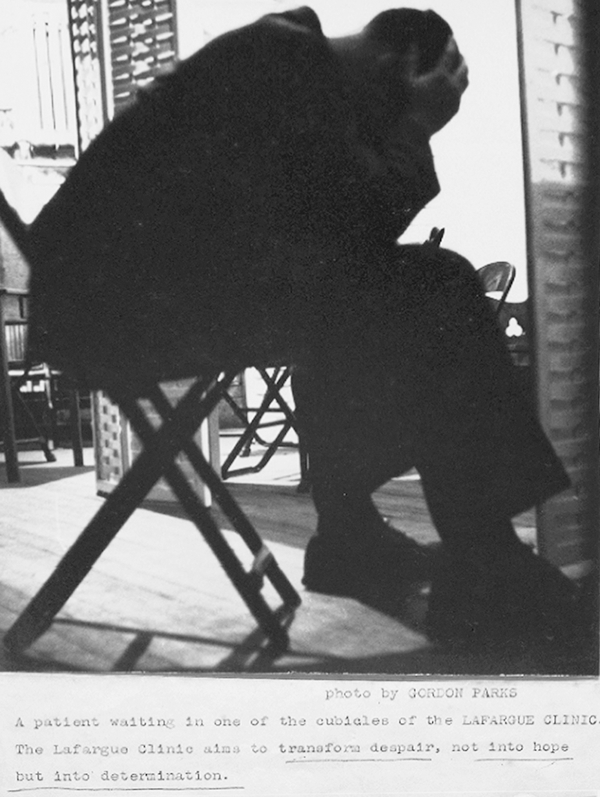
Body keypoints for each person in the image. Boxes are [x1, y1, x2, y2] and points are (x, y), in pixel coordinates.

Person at [27, 7, 581, 650]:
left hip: (112, 295)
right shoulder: (288, 60)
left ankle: (353, 534)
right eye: (390, 112)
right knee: (437, 283)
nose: (375, 134)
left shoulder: (286, 60)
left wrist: (407, 125)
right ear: (394, 65)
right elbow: (353, 229)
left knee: (361, 296)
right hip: (107, 308)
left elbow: (342, 246)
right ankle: (482, 560)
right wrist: (416, 127)